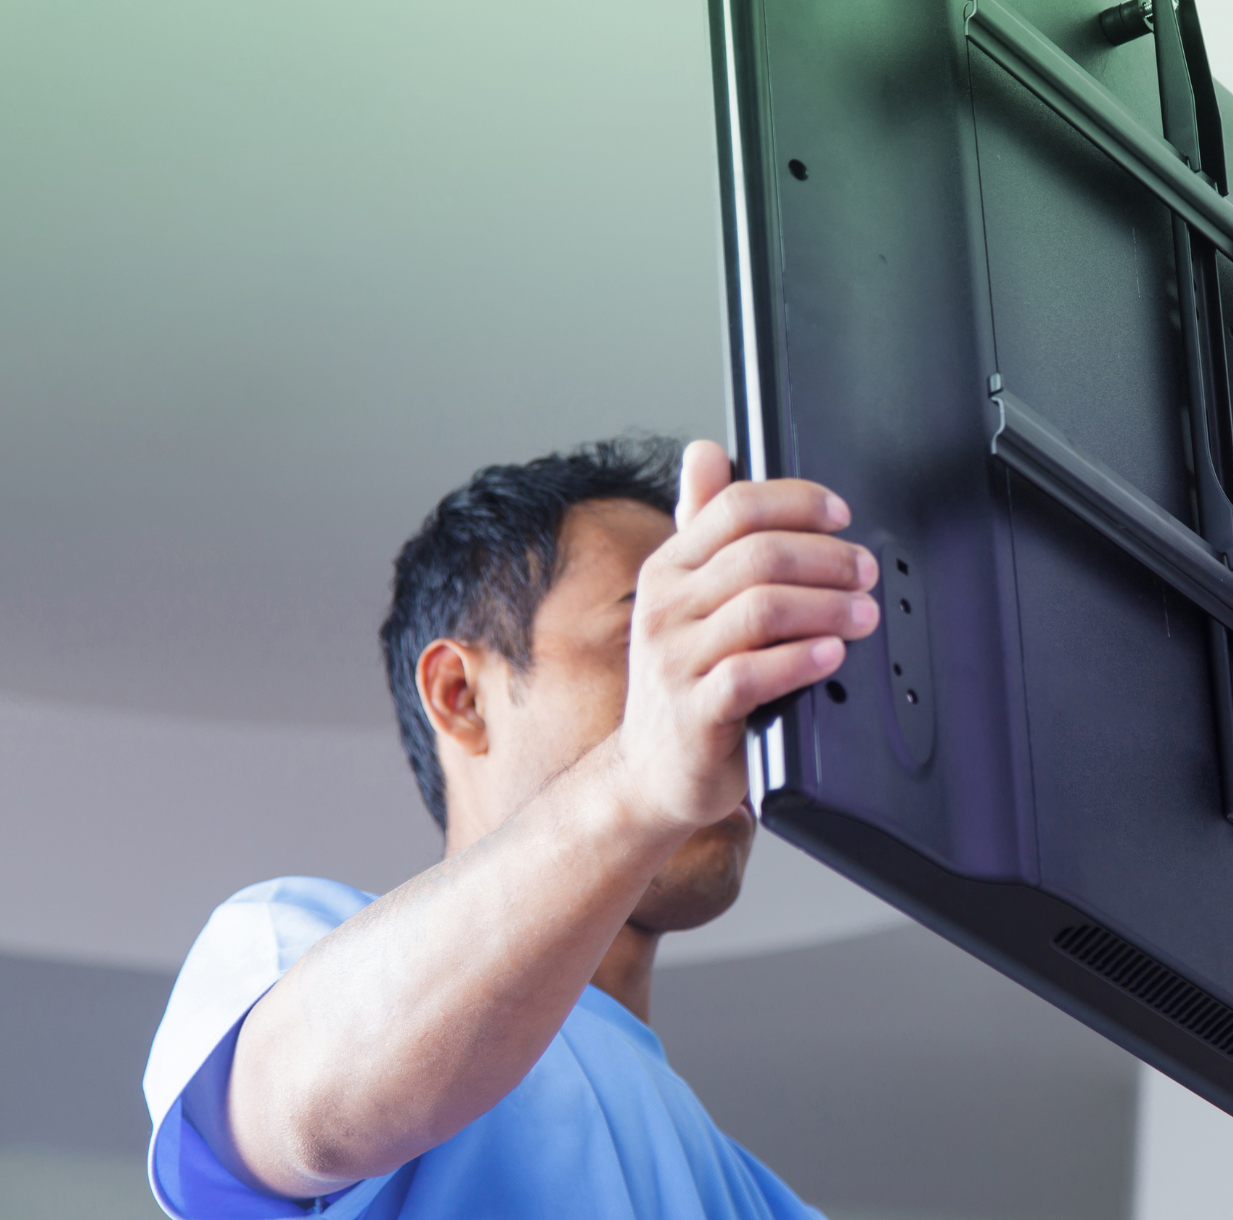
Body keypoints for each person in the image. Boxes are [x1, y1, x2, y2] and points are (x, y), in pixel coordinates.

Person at [142, 436, 879, 1218]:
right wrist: (637, 777)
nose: (723, 697)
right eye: (646, 639)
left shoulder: (758, 1202)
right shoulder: (286, 946)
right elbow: (305, 1114)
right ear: (461, 695)